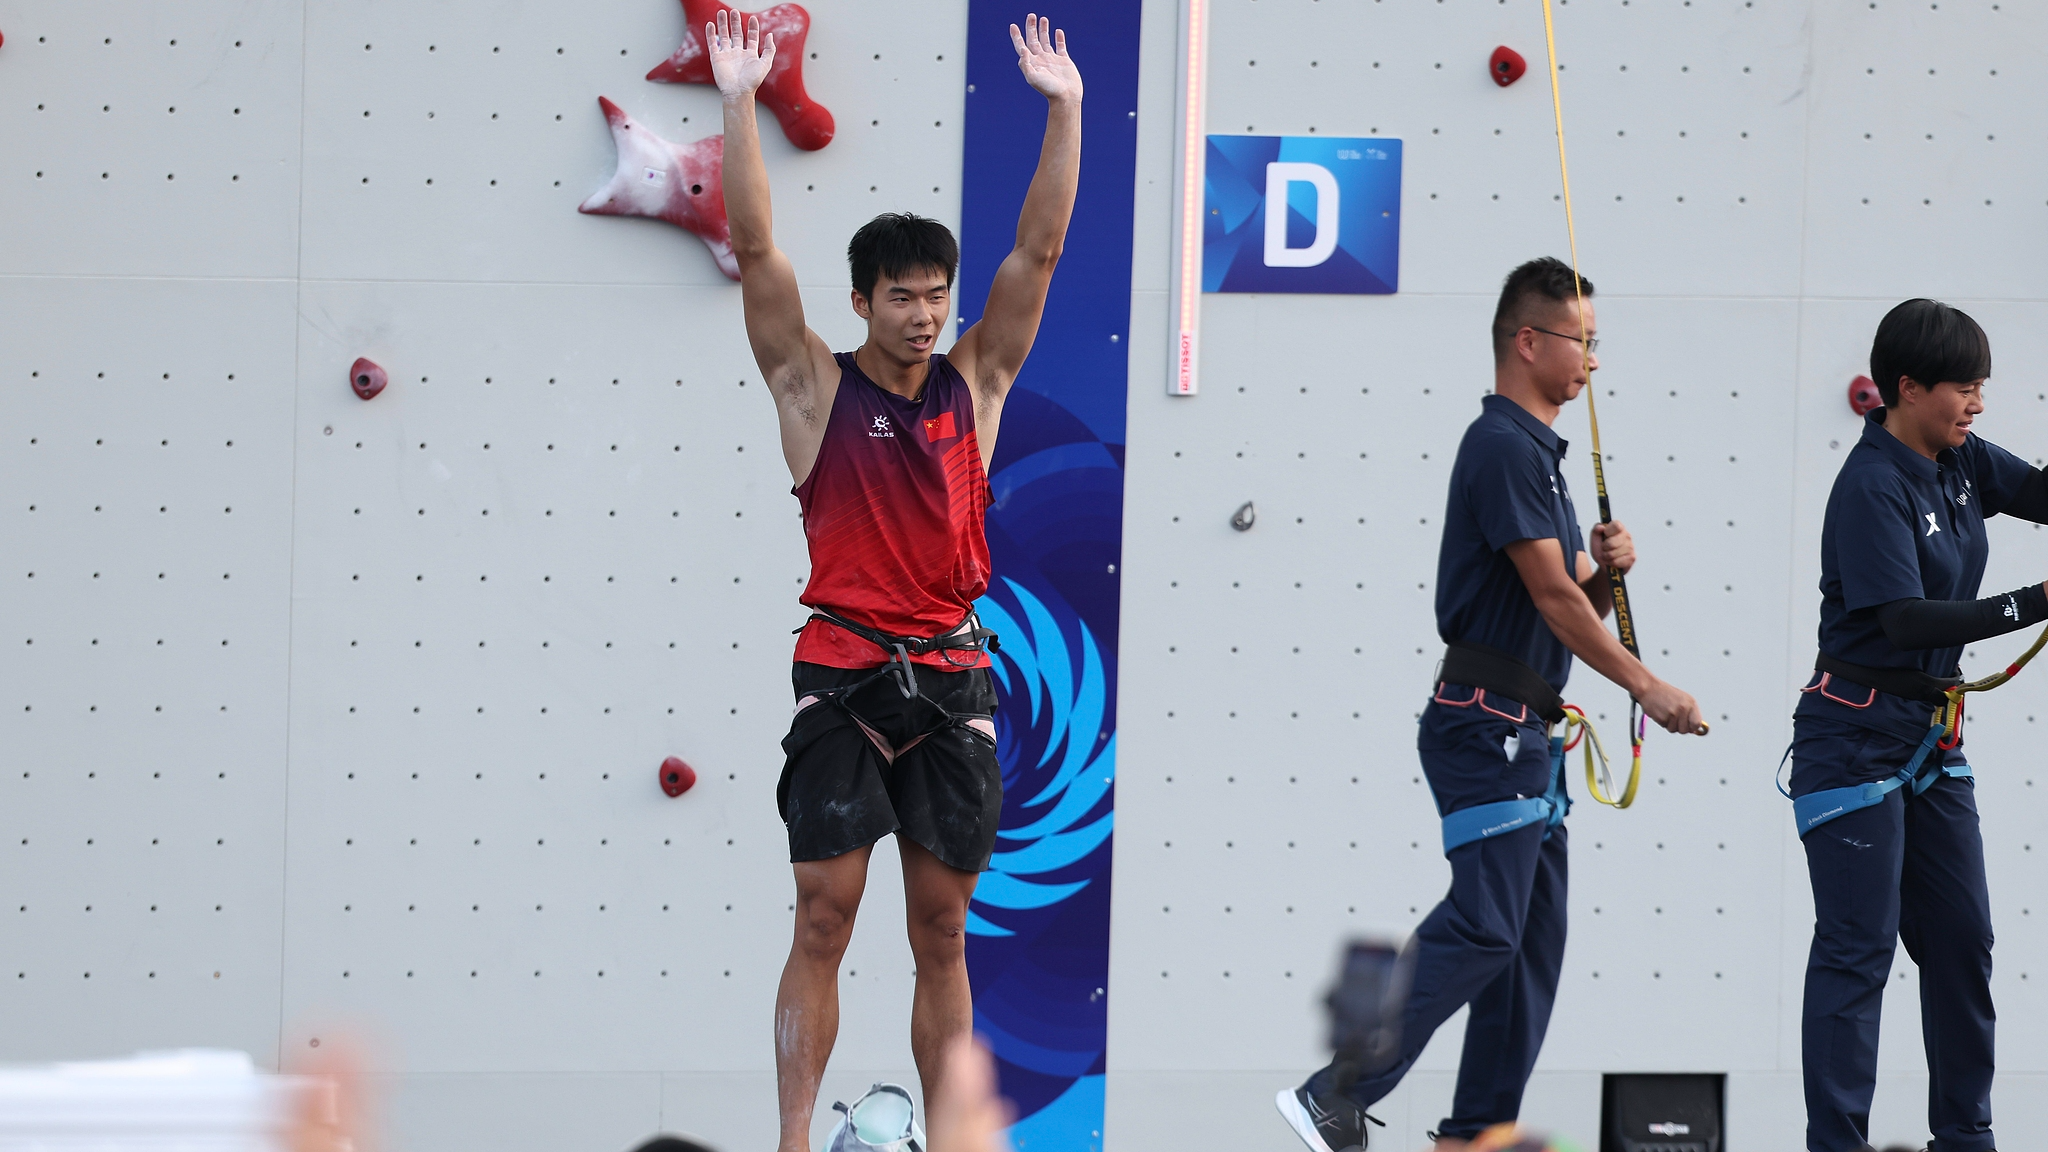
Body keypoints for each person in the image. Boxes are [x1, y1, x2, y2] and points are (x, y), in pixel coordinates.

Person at [707, 12, 1082, 1151]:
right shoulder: (813, 392)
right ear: (864, 298)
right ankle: (788, 1137)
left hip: (953, 679)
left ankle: (952, 1131)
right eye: (902, 297)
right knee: (823, 917)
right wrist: (737, 103)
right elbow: (760, 254)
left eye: (937, 295)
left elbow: (1039, 253)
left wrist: (1063, 109)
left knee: (941, 930)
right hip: (844, 671)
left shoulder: (972, 384)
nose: (925, 315)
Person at [1277, 257, 1706, 1152]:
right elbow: (1552, 598)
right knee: (1484, 926)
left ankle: (1474, 1133)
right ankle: (1333, 1093)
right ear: (1527, 340)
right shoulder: (1505, 445)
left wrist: (1608, 570)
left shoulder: (1536, 456)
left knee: (1526, 950)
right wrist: (1647, 685)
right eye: (1581, 341)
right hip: (1487, 727)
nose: (1592, 360)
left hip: (1528, 734)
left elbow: (1567, 597)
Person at [1788, 299, 2046, 1152]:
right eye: (1962, 388)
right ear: (1906, 388)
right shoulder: (1869, 485)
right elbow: (1904, 619)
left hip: (1933, 738)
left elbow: (2040, 491)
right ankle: (1838, 1143)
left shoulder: (1962, 457)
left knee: (1963, 941)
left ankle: (1966, 1136)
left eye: (1981, 388)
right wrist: (2036, 603)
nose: (1976, 404)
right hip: (1852, 737)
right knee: (1857, 951)